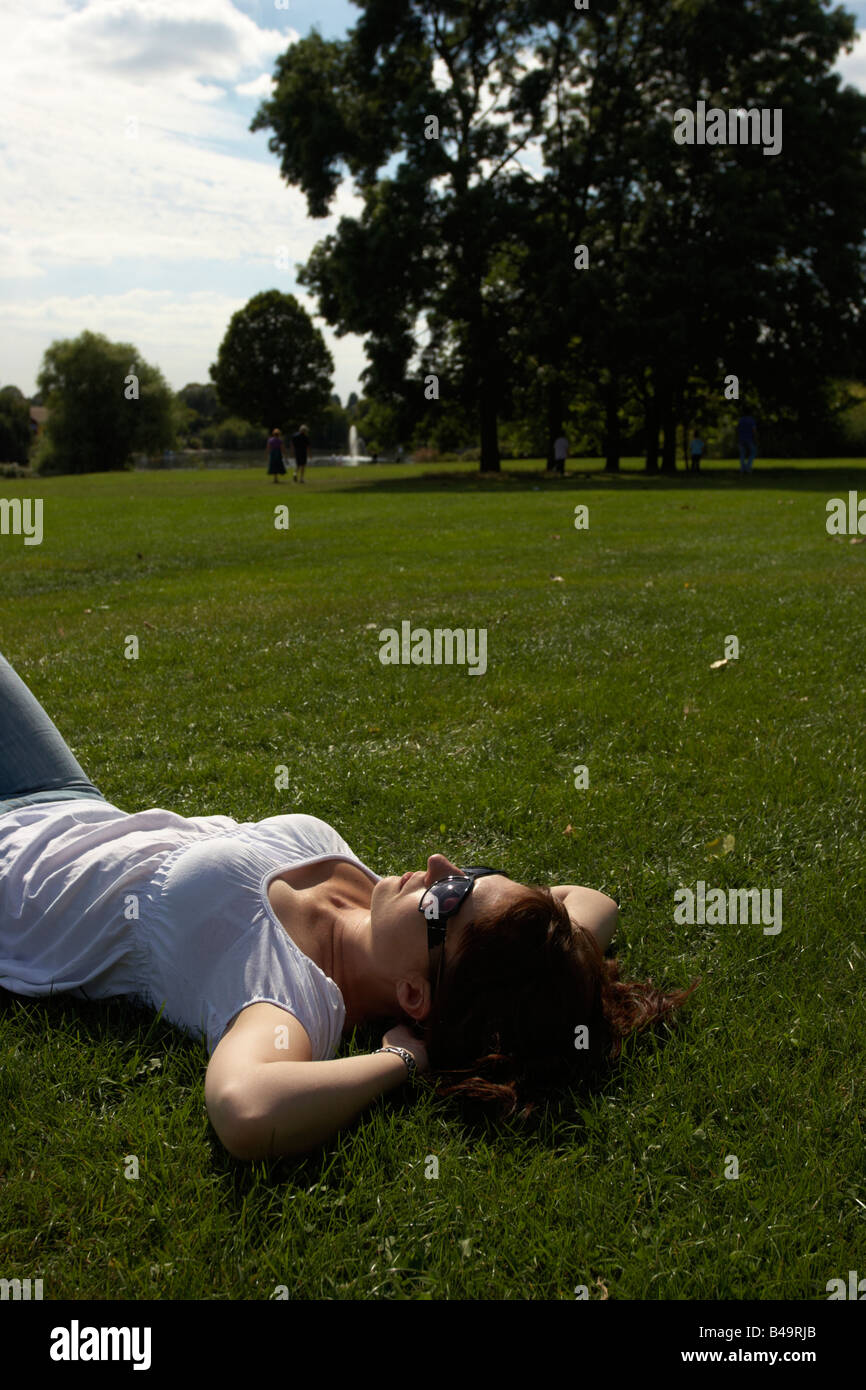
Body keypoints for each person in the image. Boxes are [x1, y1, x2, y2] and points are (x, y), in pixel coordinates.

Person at [0, 651, 697, 1161]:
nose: (438, 866)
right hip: (64, 800)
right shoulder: (378, 904)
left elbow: (246, 1111)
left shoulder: (286, 999)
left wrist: (401, 1063)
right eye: (474, 871)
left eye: (450, 895)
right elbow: (590, 905)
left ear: (415, 995)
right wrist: (559, 962)